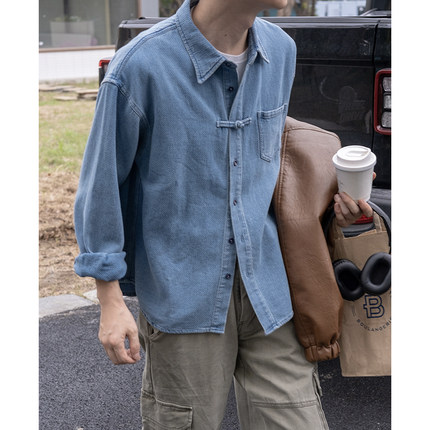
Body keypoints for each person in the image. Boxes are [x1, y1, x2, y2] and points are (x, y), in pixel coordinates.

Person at [74, 0, 373, 428]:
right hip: (183, 295)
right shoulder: (140, 66)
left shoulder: (281, 51)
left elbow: (271, 170)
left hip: (269, 289)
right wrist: (109, 297)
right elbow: (101, 185)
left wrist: (330, 211)